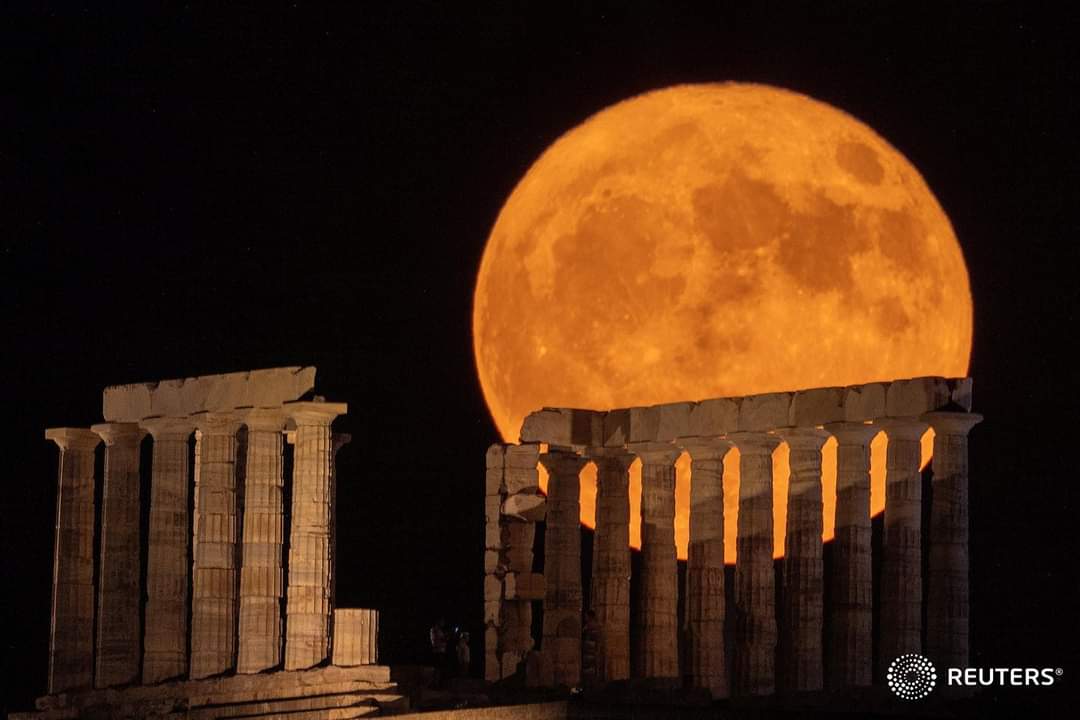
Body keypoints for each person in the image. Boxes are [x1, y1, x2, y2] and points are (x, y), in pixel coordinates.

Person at [581, 609, 601, 688]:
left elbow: (593, 639)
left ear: (589, 617)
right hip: (590, 651)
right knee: (590, 672)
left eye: (586, 616)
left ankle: (589, 689)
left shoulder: (590, 626)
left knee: (589, 672)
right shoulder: (595, 626)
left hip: (589, 651)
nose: (585, 618)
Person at [430, 618, 448, 685]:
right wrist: (445, 638)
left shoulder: (440, 630)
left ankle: (438, 682)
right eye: (442, 622)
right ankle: (435, 683)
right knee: (437, 668)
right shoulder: (434, 629)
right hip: (438, 651)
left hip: (441, 650)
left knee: (440, 668)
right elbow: (436, 640)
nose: (443, 623)